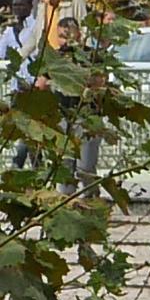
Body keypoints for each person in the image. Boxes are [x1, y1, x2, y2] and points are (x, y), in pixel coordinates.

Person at [36, 17, 103, 196]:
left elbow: (99, 82)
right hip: (62, 117)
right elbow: (40, 84)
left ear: (79, 34)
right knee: (64, 165)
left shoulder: (91, 55)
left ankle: (91, 200)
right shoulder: (55, 58)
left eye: (69, 37)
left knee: (85, 168)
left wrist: (77, 74)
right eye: (62, 37)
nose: (66, 42)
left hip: (87, 118)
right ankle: (67, 203)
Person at [1, 0, 37, 168]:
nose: (17, 8)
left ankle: (20, 164)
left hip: (35, 85)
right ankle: (29, 164)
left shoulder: (36, 27)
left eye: (21, 5)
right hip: (18, 87)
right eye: (15, 5)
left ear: (30, 6)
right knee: (21, 128)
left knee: (33, 129)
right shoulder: (9, 31)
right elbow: (2, 53)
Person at [20, 0, 88, 58]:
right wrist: (20, 56)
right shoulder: (44, 3)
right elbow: (36, 34)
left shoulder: (75, 0)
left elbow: (85, 29)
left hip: (67, 59)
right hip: (46, 58)